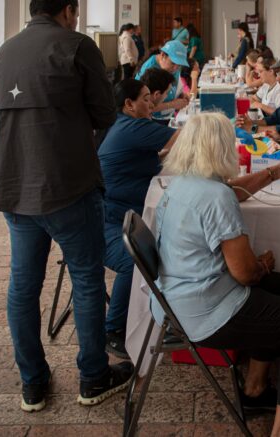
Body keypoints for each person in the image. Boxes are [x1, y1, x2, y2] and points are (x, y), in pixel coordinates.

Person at [0, 0, 133, 413]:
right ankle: (93, 377)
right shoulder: (76, 46)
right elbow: (105, 113)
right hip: (66, 184)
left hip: (15, 186)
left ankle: (32, 384)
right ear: (68, 10)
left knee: (23, 286)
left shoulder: (2, 54)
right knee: (86, 279)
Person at [155, 112, 280, 437]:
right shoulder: (215, 197)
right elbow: (245, 274)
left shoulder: (183, 185)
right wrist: (262, 265)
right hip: (203, 312)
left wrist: (275, 172)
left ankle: (255, 389)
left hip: (174, 300)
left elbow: (233, 192)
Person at [99, 79, 180, 359]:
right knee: (134, 260)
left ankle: (161, 314)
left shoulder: (129, 125)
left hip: (124, 214)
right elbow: (186, 137)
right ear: (129, 104)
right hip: (108, 222)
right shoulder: (131, 127)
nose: (152, 103)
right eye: (145, 98)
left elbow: (155, 153)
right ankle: (114, 330)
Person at [135, 40, 191, 124]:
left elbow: (173, 86)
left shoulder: (174, 67)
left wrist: (181, 94)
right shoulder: (147, 70)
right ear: (163, 55)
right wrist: (172, 104)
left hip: (168, 116)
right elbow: (142, 107)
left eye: (179, 65)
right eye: (173, 63)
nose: (175, 68)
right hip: (151, 119)